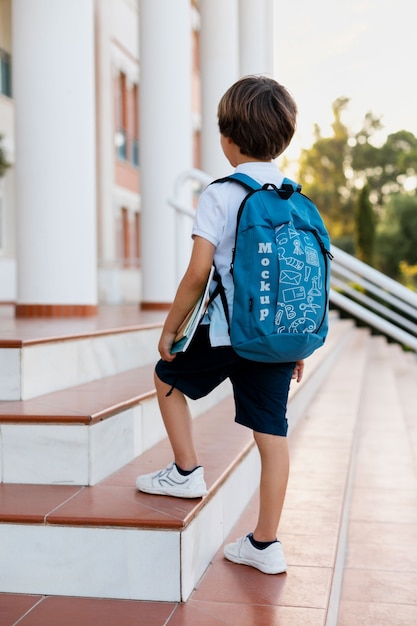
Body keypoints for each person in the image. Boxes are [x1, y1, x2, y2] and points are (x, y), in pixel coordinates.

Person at [136, 75, 304, 575]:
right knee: (272, 436)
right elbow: (291, 281)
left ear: (227, 138)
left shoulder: (221, 194)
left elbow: (197, 273)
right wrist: (292, 343)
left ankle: (187, 471)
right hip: (274, 337)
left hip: (226, 332)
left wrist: (170, 329)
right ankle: (266, 544)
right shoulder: (293, 198)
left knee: (166, 379)